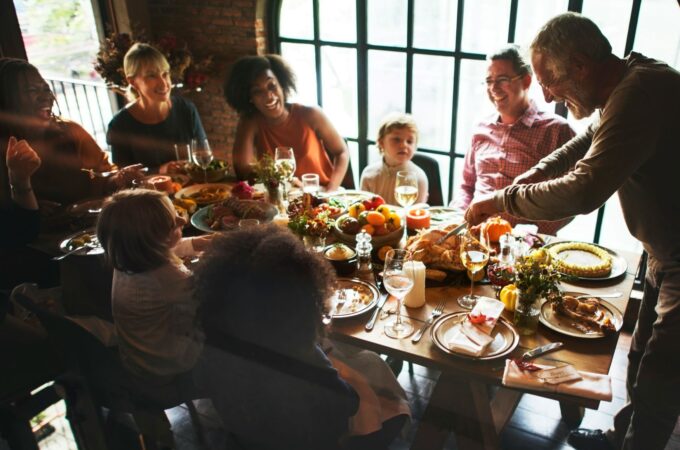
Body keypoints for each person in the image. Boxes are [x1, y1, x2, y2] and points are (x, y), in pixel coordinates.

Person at [465, 13, 680, 450]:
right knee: (640, 361)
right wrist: (514, 187)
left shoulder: (642, 91)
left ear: (581, 65)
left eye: (550, 82)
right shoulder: (627, 85)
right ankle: (622, 437)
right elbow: (576, 148)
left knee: (661, 379)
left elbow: (584, 188)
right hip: (663, 252)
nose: (547, 95)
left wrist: (502, 201)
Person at [193, 225, 408, 449]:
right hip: (310, 441)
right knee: (394, 405)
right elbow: (348, 403)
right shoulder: (304, 360)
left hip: (246, 437)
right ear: (301, 302)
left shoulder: (214, 347)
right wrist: (351, 377)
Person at [96, 189, 210, 404]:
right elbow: (209, 299)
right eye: (172, 223)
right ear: (152, 240)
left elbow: (165, 248)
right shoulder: (166, 277)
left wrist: (197, 244)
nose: (181, 220)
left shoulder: (128, 258)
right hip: (165, 370)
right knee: (230, 335)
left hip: (138, 359)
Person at [451, 45, 575, 235]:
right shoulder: (481, 128)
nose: (493, 88)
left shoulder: (556, 130)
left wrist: (532, 233)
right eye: (489, 81)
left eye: (502, 80)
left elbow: (571, 197)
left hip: (525, 246)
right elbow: (466, 187)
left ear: (526, 81)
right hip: (474, 240)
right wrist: (461, 217)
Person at [0, 58, 142, 206]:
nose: (46, 97)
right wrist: (29, 205)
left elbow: (100, 173)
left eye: (46, 89)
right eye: (32, 90)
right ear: (7, 100)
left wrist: (117, 179)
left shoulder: (69, 131)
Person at [225, 54, 349, 192]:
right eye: (257, 91)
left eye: (272, 86)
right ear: (249, 98)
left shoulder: (310, 114)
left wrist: (331, 190)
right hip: (279, 198)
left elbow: (341, 151)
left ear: (282, 85)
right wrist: (282, 180)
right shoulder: (251, 122)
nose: (269, 96)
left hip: (320, 194)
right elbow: (242, 170)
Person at [107, 43, 208, 171]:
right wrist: (160, 171)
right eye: (151, 75)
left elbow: (204, 159)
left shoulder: (187, 109)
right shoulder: (119, 125)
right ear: (132, 81)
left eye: (165, 74)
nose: (164, 83)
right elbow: (123, 178)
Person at [360, 113, 428, 205]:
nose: (404, 145)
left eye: (410, 141)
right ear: (381, 143)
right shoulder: (368, 175)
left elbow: (416, 215)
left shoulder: (418, 179)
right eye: (396, 139)